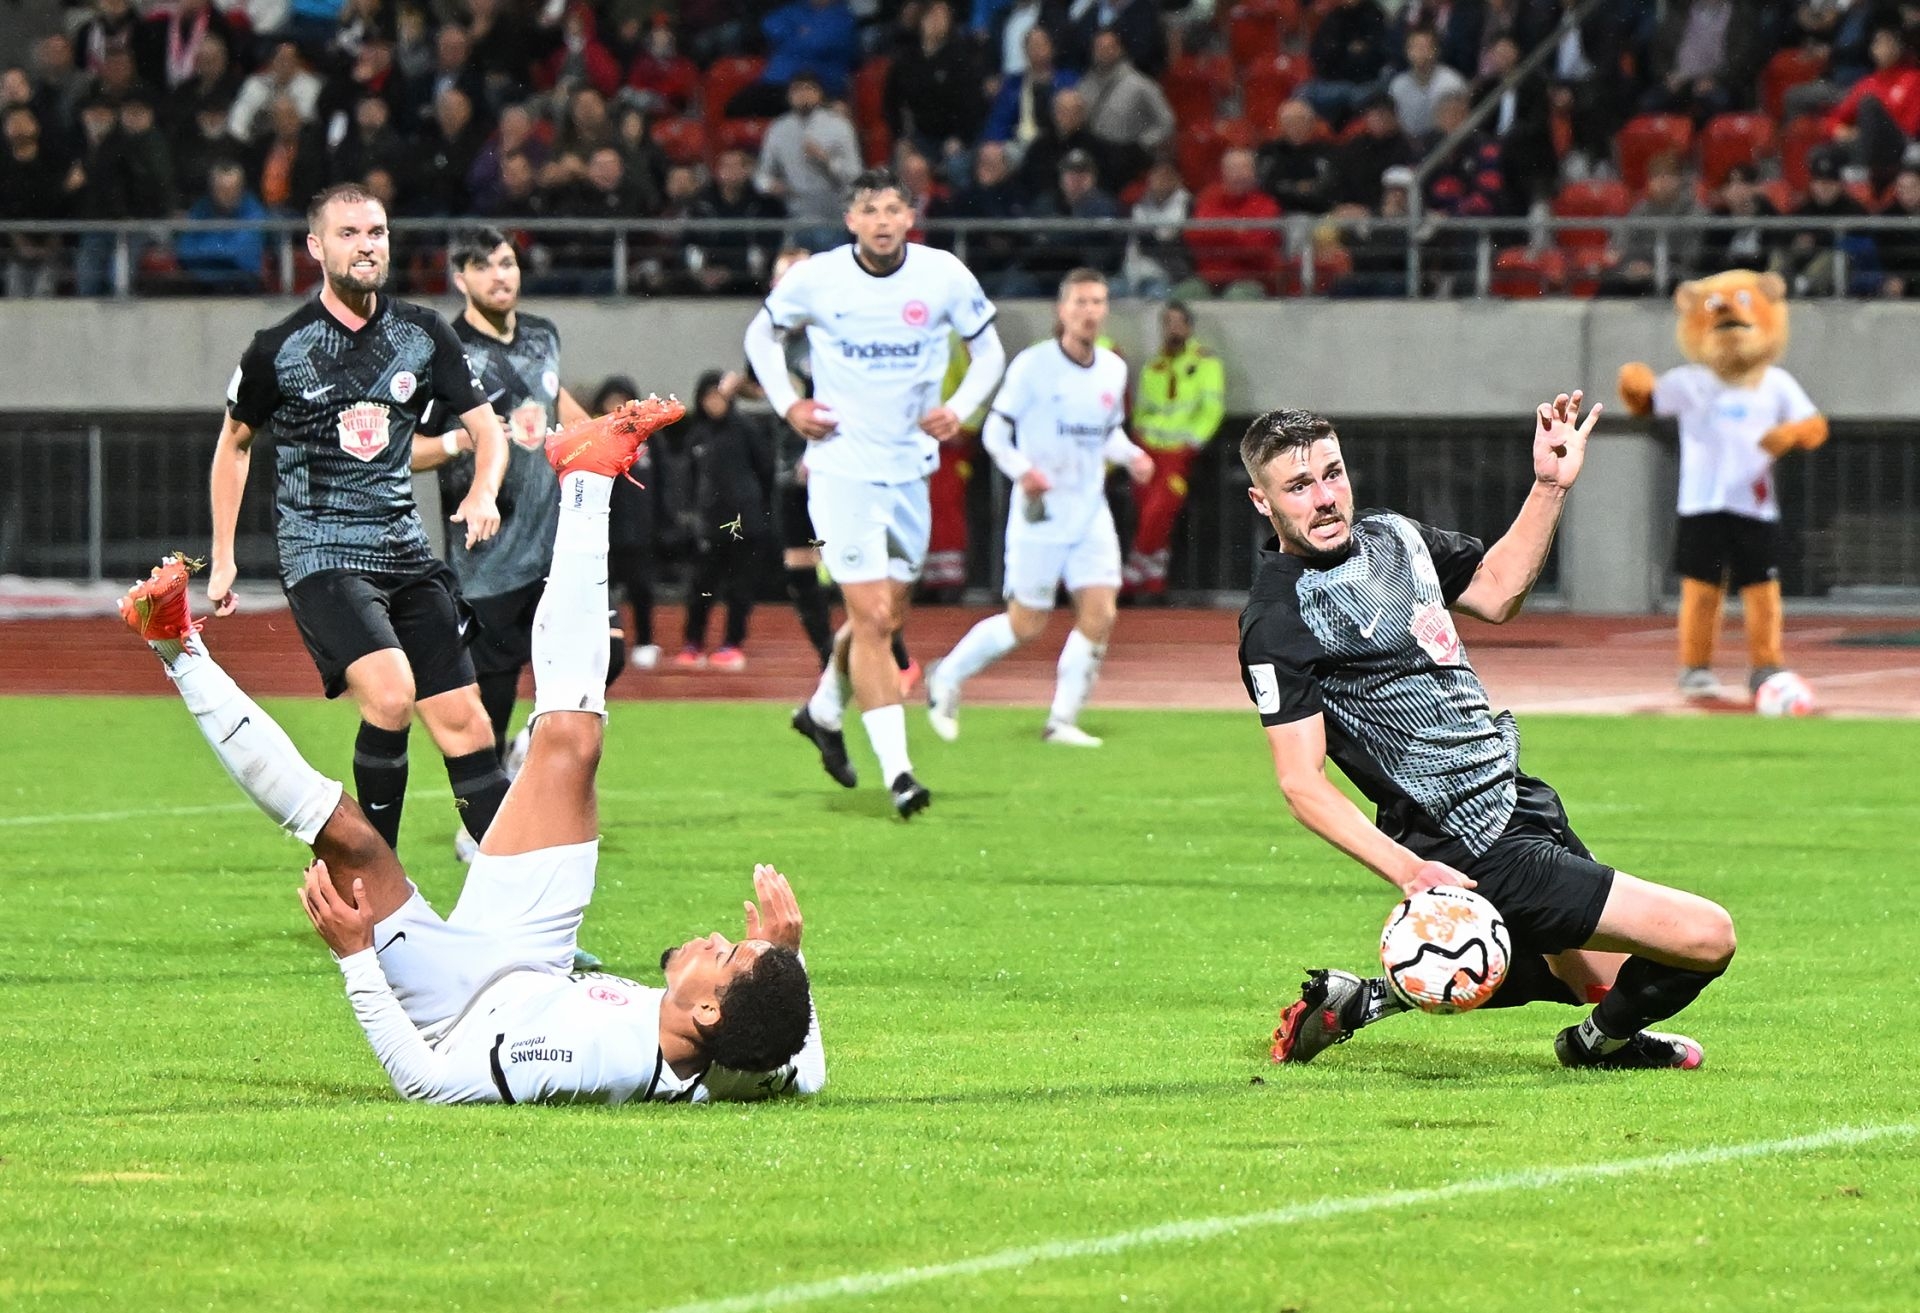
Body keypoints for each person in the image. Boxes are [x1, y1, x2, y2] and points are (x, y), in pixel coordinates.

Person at [119, 398, 826, 1105]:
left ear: (708, 1012)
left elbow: (427, 1084)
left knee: (348, 835)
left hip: (454, 998)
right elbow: (807, 1065)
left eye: (725, 955)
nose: (714, 936)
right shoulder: (751, 1062)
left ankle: (175, 646)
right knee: (573, 742)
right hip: (536, 954)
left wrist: (357, 959)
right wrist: (787, 958)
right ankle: (587, 475)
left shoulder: (588, 1059)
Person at [1241, 399, 1737, 1070]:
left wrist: (1549, 486)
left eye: (1332, 474)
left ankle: (1368, 999)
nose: (1325, 498)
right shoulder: (1278, 617)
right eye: (1299, 486)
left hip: (1518, 799)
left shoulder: (1394, 536)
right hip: (1469, 842)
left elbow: (1498, 591)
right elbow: (1301, 782)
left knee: (1599, 981)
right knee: (1707, 936)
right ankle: (1597, 1046)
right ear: (1262, 501)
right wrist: (1410, 871)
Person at [209, 183, 513, 860]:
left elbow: (488, 430)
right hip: (321, 555)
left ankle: (515, 895)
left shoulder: (422, 334)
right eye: (348, 233)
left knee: (467, 724)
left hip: (405, 552)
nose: (366, 245)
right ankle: (378, 885)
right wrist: (222, 554)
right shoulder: (279, 348)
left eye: (376, 232)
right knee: (392, 694)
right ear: (316, 247)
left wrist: (484, 491)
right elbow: (234, 444)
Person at [744, 167, 1007, 818]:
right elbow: (760, 335)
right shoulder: (819, 277)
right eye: (870, 210)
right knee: (870, 619)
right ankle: (900, 775)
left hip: (911, 468)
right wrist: (789, 404)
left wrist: (960, 409)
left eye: (894, 209)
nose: (883, 221)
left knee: (887, 617)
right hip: (842, 470)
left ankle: (822, 711)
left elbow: (990, 353)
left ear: (911, 217)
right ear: (850, 220)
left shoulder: (943, 275)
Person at [408, 229, 603, 843]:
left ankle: (527, 747)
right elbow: (405, 449)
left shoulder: (545, 334)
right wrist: (458, 441)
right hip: (485, 557)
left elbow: (556, 403)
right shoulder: (442, 351)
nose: (500, 275)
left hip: (555, 543)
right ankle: (479, 828)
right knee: (489, 699)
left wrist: (608, 436)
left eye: (508, 262)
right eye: (483, 266)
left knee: (605, 655)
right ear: (460, 279)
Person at [925, 269, 1152, 746]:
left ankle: (1061, 720)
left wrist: (1133, 456)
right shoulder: (1033, 365)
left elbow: (1107, 432)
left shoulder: (1113, 368)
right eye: (1080, 302)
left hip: (1089, 511)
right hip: (1041, 512)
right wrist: (1022, 471)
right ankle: (946, 676)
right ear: (1061, 310)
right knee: (1026, 623)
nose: (1089, 312)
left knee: (1100, 613)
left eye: (1097, 302)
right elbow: (995, 431)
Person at [1123, 301, 1225, 601]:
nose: (1172, 328)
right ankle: (1154, 577)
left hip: (1179, 454)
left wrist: (1192, 443)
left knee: (1159, 509)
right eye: (1167, 322)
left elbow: (1212, 408)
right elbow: (1142, 410)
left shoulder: (1206, 363)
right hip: (1148, 450)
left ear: (1189, 327)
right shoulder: (1153, 366)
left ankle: (1134, 568)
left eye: (1178, 322)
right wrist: (1140, 440)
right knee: (1150, 511)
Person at [676, 371, 776, 669]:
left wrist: (758, 511)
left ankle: (732, 643)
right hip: (709, 525)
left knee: (739, 589)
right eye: (707, 397)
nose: (713, 403)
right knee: (701, 587)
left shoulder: (746, 429)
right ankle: (693, 642)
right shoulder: (698, 434)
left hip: (745, 524)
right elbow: (689, 478)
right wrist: (690, 514)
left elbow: (766, 470)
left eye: (718, 396)